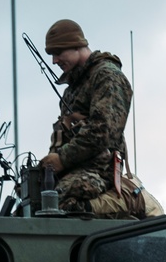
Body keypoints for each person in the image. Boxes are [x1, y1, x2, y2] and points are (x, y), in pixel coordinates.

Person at [37, 19, 136, 216]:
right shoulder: (73, 89)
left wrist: (62, 159)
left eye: (58, 53)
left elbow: (103, 131)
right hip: (74, 167)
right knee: (31, 199)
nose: (54, 61)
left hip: (100, 170)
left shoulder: (107, 76)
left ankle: (125, 207)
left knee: (58, 202)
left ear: (76, 46)